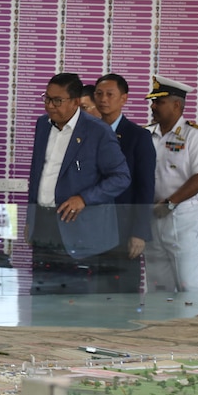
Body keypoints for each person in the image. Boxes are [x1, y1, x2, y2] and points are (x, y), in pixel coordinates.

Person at [25, 73, 130, 293]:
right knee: (42, 297)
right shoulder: (42, 125)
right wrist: (31, 219)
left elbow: (121, 177)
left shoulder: (97, 131)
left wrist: (84, 198)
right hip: (44, 224)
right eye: (47, 98)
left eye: (57, 100)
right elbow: (38, 175)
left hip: (79, 229)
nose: (50, 106)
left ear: (75, 102)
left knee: (75, 303)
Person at [143, 75, 198, 294]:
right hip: (152, 214)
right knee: (157, 284)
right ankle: (157, 327)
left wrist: (170, 202)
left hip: (182, 215)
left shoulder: (194, 135)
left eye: (159, 102)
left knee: (188, 283)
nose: (153, 106)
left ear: (176, 105)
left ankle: (189, 327)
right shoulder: (146, 135)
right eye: (153, 101)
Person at [92, 74, 155, 293]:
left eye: (110, 94)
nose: (103, 99)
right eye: (99, 94)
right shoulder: (86, 133)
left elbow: (145, 188)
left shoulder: (139, 136)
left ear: (124, 99)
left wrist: (139, 232)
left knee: (121, 293)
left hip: (123, 228)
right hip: (91, 227)